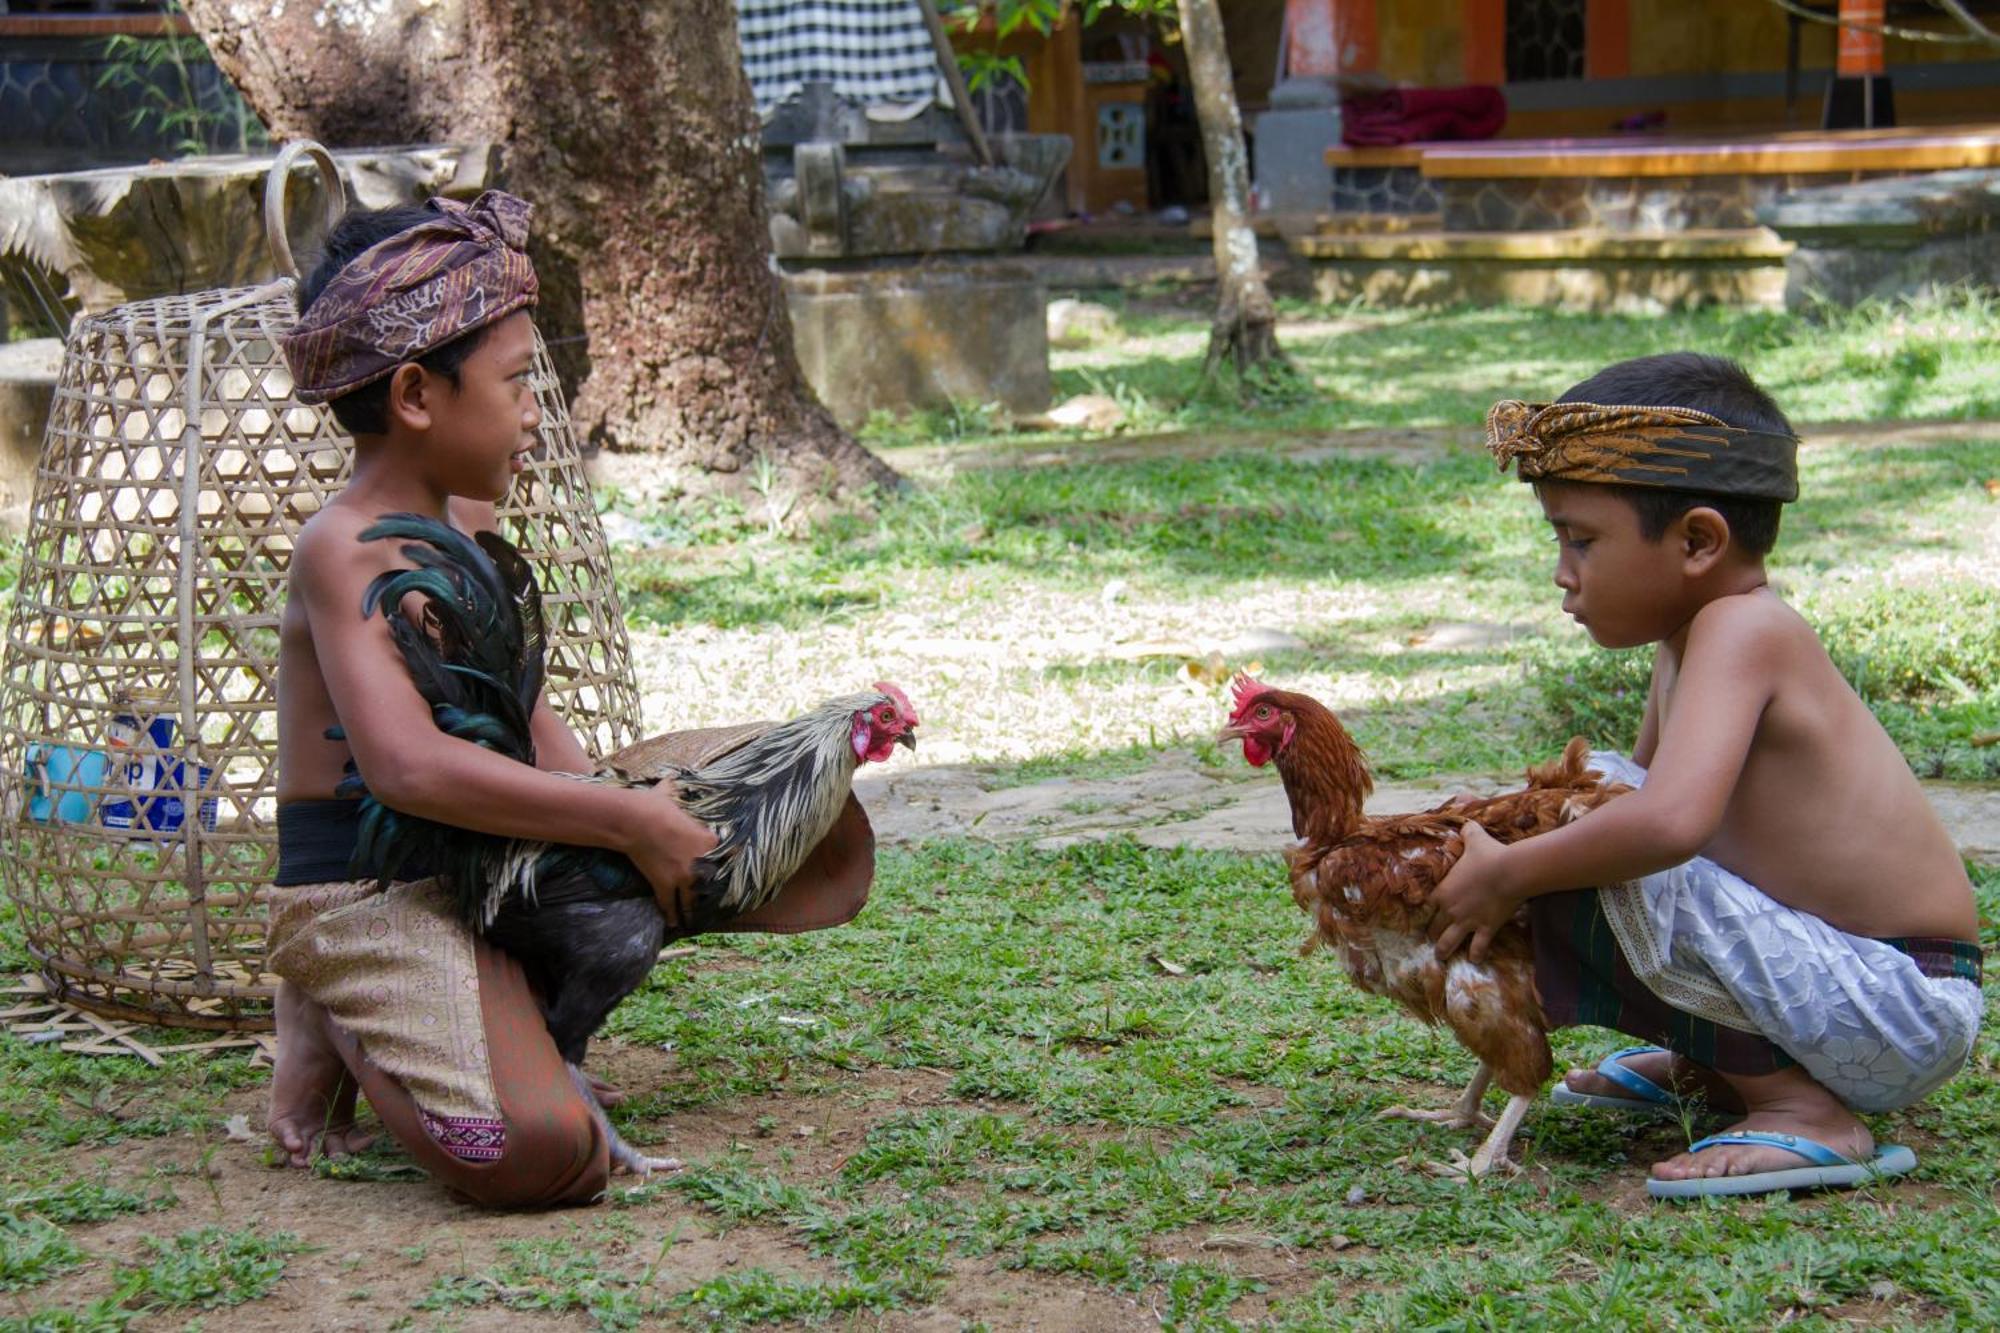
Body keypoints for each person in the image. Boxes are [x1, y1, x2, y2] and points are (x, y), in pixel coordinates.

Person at [265, 194, 870, 1207]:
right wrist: (627, 818)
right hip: (374, 885)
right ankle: (335, 1005)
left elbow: (528, 720)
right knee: (540, 1154)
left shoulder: (463, 515)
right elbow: (409, 768)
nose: (537, 411)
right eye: (515, 384)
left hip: (481, 855)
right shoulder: (343, 547)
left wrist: (630, 828)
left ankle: (498, 1000)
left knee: (821, 830)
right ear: (416, 394)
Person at [1429, 353, 1983, 1199]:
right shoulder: (1688, 640)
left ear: (1696, 541)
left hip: (1898, 995)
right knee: (1596, 805)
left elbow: (1670, 826)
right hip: (1844, 990)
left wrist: (1512, 870)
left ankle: (1806, 1110)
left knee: (1596, 827)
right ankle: (1719, 1066)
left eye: (1581, 540)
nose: (1562, 572)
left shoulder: (1743, 629)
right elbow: (1645, 814)